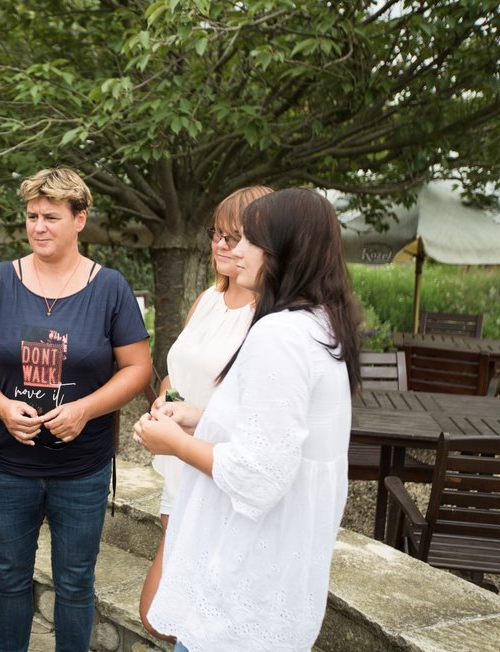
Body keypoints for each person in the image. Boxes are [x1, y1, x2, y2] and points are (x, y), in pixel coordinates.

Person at [134, 188, 361, 651]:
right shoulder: (321, 324)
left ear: (283, 252)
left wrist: (173, 444)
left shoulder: (278, 333)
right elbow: (279, 438)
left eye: (248, 240)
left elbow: (258, 475)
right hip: (277, 585)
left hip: (238, 589)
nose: (233, 250)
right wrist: (199, 418)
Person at [0, 167, 152, 652]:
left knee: (76, 582)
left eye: (52, 217)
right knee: (8, 577)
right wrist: (1, 406)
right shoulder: (0, 280)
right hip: (8, 462)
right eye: (32, 216)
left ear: (80, 219)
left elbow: (137, 368)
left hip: (81, 467)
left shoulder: (109, 288)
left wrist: (85, 408)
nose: (39, 227)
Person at [138, 186, 272, 641]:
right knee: (161, 616)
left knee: (184, 616)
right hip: (179, 465)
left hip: (219, 475)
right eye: (216, 234)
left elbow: (256, 412)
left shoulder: (269, 318)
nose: (220, 245)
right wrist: (166, 401)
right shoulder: (206, 301)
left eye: (234, 237)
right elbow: (177, 375)